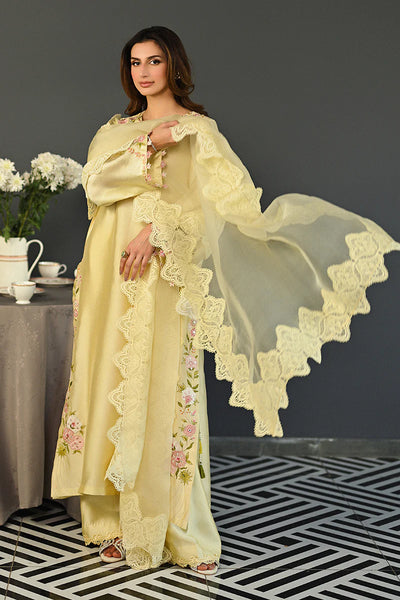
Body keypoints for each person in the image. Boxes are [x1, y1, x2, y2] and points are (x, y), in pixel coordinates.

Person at [51, 25, 400, 574]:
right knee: (111, 389)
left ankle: (178, 529)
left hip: (165, 276)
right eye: (135, 63)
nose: (144, 72)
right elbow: (95, 186)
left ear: (174, 65)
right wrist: (149, 145)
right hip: (109, 281)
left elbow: (215, 213)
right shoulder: (116, 130)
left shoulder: (198, 132)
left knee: (165, 393)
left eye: (154, 61)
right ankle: (113, 523)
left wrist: (156, 232)